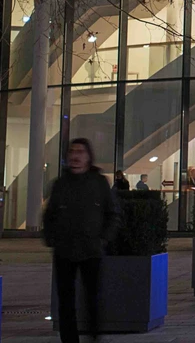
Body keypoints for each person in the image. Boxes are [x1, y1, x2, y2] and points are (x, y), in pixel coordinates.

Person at [42, 138, 120, 343]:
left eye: (80, 152)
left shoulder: (99, 183)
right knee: (66, 301)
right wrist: (52, 239)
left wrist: (103, 239)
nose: (75, 156)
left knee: (92, 298)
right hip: (64, 250)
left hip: (91, 250)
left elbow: (112, 214)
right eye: (72, 152)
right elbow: (49, 214)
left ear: (88, 156)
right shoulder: (60, 184)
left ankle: (94, 337)